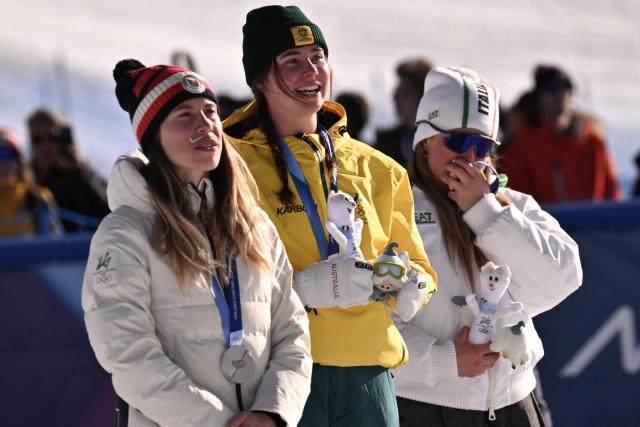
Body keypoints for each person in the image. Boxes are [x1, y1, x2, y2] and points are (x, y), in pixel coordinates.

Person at [223, 6, 438, 427]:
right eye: (291, 62)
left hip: (368, 375)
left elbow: (422, 265)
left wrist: (413, 283)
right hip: (279, 373)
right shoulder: (229, 168)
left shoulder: (380, 168)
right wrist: (302, 288)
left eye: (317, 58)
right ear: (260, 79)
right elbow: (215, 272)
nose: (311, 72)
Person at [82, 59, 312, 427]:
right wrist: (214, 422)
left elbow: (292, 331)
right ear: (153, 137)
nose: (206, 124)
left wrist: (272, 412)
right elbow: (127, 355)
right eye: (185, 115)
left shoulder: (254, 224)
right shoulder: (125, 232)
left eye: (209, 112)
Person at [393, 66, 583, 426]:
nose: (470, 158)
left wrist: (485, 212)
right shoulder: (394, 211)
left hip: (514, 405)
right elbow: (369, 324)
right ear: (424, 142)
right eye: (458, 142)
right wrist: (444, 361)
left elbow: (561, 281)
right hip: (421, 408)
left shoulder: (513, 206)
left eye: (482, 147)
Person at [500, 64, 623, 204]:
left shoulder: (593, 142)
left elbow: (613, 194)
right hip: (541, 224)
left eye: (566, 88)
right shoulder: (522, 148)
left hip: (592, 223)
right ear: (539, 99)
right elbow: (512, 201)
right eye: (551, 90)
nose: (560, 96)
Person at [27, 108, 110, 231]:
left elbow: (108, 214)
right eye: (37, 139)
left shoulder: (80, 175)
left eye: (52, 137)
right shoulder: (24, 180)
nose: (45, 146)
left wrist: (80, 172)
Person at [0, 127, 62, 237]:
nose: (2, 163)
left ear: (18, 159)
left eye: (6, 154)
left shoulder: (37, 198)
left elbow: (55, 244)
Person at [375, 58, 433, 168]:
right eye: (396, 91)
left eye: (404, 92)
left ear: (422, 95)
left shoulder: (439, 146)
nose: (395, 97)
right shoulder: (386, 143)